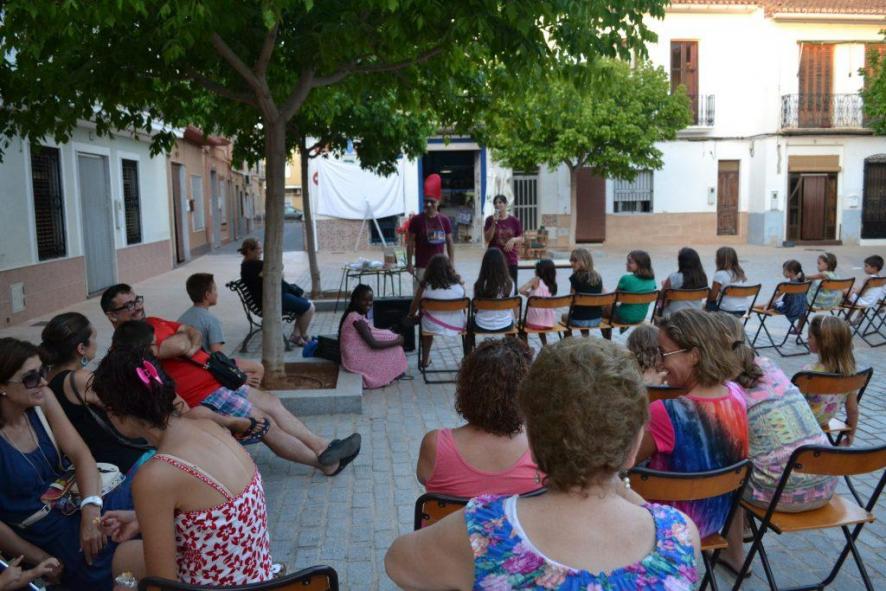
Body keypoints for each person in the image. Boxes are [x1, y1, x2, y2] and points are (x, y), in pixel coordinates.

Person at [386, 337, 701, 590]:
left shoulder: (485, 532)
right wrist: (622, 487)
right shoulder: (680, 536)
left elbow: (397, 563)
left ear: (533, 444)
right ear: (633, 445)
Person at [100, 285, 361, 475]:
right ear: (112, 315)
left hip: (217, 378)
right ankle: (326, 463)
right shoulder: (126, 345)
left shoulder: (153, 322)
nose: (137, 308)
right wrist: (181, 342)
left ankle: (322, 446)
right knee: (264, 423)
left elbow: (192, 332)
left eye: (137, 301)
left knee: (272, 403)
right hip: (202, 394)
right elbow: (179, 344)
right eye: (128, 306)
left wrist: (184, 342)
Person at [89, 346, 272, 586]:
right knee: (125, 556)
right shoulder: (208, 427)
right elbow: (214, 509)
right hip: (256, 577)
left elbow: (163, 583)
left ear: (115, 412)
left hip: (215, 584)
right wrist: (141, 518)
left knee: (124, 576)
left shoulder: (156, 476)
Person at [0, 338, 133, 591]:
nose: (43, 381)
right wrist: (39, 558)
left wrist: (90, 511)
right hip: (46, 530)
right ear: (2, 386)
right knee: (116, 550)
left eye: (43, 371)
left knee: (148, 498)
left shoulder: (42, 400)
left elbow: (81, 454)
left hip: (76, 500)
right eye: (30, 378)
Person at [714, 314, 836, 575]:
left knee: (726, 468)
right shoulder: (769, 365)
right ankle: (744, 527)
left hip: (778, 493)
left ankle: (734, 554)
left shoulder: (723, 387)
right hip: (826, 482)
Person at [636, 309, 748, 539]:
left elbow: (623, 460)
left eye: (663, 353)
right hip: (716, 518)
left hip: (670, 526)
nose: (659, 362)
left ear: (694, 355)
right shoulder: (736, 394)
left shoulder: (668, 412)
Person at [417, 339, 541, 497]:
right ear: (525, 392)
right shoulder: (542, 447)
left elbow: (423, 477)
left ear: (466, 387)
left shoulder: (434, 445)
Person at [39, 313, 148, 474]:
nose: (96, 344)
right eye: (94, 338)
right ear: (81, 348)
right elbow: (125, 408)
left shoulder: (45, 377)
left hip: (91, 459)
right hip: (119, 460)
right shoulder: (79, 379)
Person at [178, 273, 264, 387]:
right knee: (258, 368)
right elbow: (219, 358)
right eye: (215, 289)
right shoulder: (211, 320)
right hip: (207, 367)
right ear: (207, 295)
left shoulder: (182, 318)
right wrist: (240, 377)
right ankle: (246, 395)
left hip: (189, 366)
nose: (217, 293)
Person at [238, 238, 314, 347]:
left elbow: (277, 273)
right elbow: (278, 275)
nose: (261, 251)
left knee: (307, 304)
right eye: (259, 248)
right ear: (249, 250)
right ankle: (304, 335)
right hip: (270, 301)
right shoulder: (253, 265)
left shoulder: (248, 265)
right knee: (309, 308)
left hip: (271, 297)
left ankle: (297, 336)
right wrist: (278, 269)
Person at [802, 315, 859, 445]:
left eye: (810, 336)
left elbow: (793, 402)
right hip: (824, 422)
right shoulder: (850, 374)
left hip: (803, 424)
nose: (807, 339)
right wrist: (851, 433)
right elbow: (853, 410)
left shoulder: (809, 372)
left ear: (823, 342)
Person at [338, 285, 408, 389]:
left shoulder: (354, 315)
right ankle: (387, 375)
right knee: (395, 349)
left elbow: (370, 334)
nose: (368, 303)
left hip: (352, 357)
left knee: (390, 345)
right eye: (364, 300)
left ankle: (392, 372)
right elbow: (373, 344)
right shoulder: (356, 319)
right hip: (354, 361)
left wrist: (389, 335)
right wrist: (397, 341)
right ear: (356, 300)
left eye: (370, 300)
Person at [407, 254, 467, 370]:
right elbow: (463, 304)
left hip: (431, 326)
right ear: (449, 269)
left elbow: (414, 308)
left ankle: (425, 359)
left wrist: (410, 315)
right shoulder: (459, 287)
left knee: (425, 321)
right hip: (457, 325)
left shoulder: (425, 287)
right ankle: (467, 359)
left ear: (430, 270)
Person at [406, 174, 455, 289]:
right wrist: (409, 263)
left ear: (438, 202)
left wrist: (451, 262)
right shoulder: (416, 220)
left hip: (440, 267)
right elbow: (410, 243)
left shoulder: (444, 220)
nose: (428, 205)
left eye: (432, 202)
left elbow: (450, 242)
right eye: (426, 201)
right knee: (421, 295)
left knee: (439, 294)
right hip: (422, 266)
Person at [483, 194, 524, 294]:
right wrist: (494, 223)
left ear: (506, 204)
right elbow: (487, 239)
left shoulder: (514, 220)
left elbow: (522, 238)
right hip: (494, 260)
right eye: (495, 203)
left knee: (512, 289)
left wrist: (514, 239)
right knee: (493, 289)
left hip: (510, 259)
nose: (497, 205)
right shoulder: (489, 220)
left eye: (500, 202)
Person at [472, 248, 515, 338]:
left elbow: (475, 309)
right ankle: (510, 344)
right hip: (505, 324)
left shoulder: (479, 284)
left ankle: (470, 346)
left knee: (470, 323)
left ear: (484, 265)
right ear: (503, 264)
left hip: (482, 325)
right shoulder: (510, 283)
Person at [561, 248, 604, 335]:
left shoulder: (575, 278)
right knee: (584, 315)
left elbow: (571, 300)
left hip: (579, 320)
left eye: (575, 260)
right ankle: (586, 337)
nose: (572, 263)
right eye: (571, 260)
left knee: (564, 317)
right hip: (597, 319)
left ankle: (569, 340)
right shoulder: (598, 277)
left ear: (584, 261)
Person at [659, 247, 708, 319]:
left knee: (659, 307)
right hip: (696, 315)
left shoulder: (674, 277)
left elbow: (661, 296)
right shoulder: (703, 277)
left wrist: (665, 285)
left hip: (674, 315)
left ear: (681, 262)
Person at [518, 259, 557, 345]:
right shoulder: (552, 284)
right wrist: (532, 294)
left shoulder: (536, 280)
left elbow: (521, 290)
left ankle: (525, 347)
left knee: (520, 325)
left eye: (536, 269)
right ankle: (545, 344)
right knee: (540, 318)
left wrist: (529, 294)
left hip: (534, 322)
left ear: (539, 271)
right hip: (549, 322)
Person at [613, 249, 657, 323]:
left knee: (602, 306)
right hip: (641, 317)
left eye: (630, 262)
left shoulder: (626, 279)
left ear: (640, 265)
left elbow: (612, 298)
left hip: (623, 317)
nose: (626, 264)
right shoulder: (652, 281)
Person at [707, 246, 750, 316]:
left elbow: (712, 297)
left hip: (726, 310)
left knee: (709, 303)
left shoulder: (720, 274)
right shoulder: (741, 274)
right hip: (742, 310)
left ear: (719, 260)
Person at [846, 254, 885, 323]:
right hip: (872, 302)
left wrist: (853, 291)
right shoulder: (881, 279)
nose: (864, 268)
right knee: (854, 296)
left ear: (874, 268)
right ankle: (854, 317)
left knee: (846, 291)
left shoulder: (869, 279)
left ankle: (847, 318)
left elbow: (860, 293)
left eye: (866, 266)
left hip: (863, 303)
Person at [769, 259, 807, 324]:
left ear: (791, 272)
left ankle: (753, 307)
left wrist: (766, 307)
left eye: (784, 271)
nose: (783, 273)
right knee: (776, 303)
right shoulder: (803, 281)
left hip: (789, 310)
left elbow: (775, 296)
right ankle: (798, 328)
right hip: (802, 309)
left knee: (772, 304)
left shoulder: (788, 285)